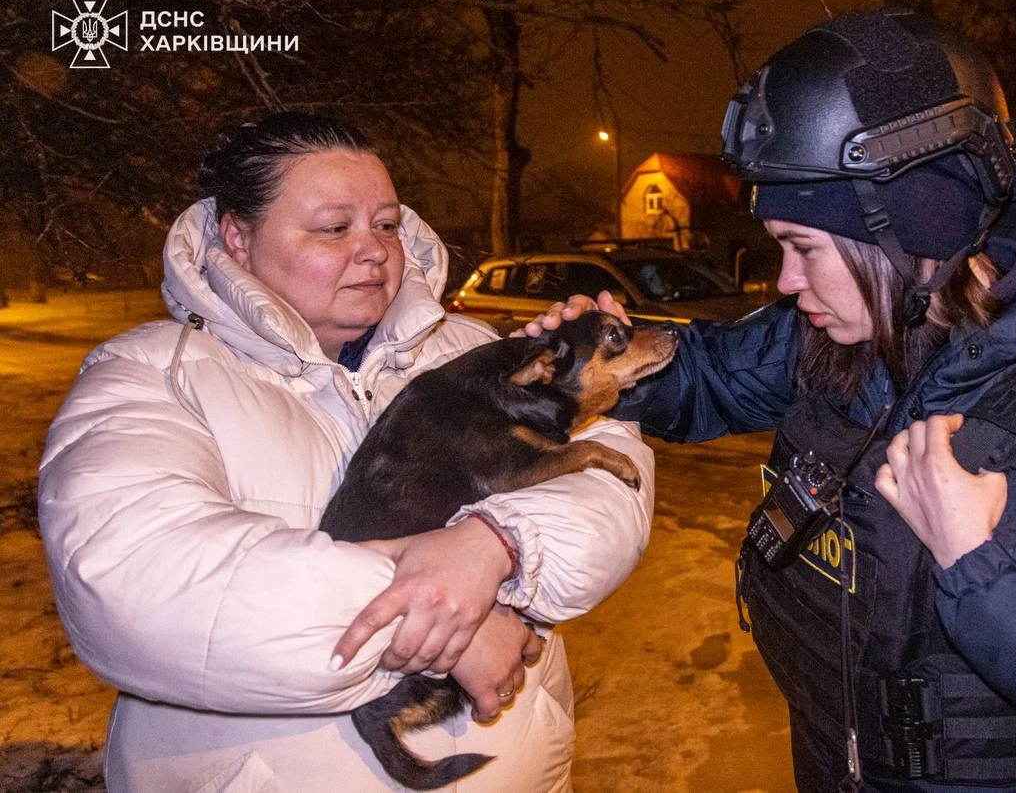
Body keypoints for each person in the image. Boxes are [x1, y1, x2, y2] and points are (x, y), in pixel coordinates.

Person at [527, 9, 1016, 791]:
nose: (786, 281)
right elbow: (704, 374)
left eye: (804, 248)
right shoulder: (838, 337)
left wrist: (981, 558)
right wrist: (594, 361)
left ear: (912, 229)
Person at [38, 112, 654, 791]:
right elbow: (138, 585)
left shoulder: (472, 351)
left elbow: (615, 483)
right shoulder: (153, 375)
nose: (375, 251)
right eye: (334, 228)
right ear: (238, 238)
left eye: (386, 225)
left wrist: (496, 544)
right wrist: (448, 617)